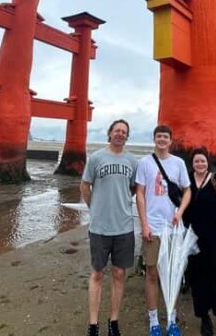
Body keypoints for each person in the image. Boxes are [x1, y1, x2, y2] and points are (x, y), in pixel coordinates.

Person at [81, 119, 139, 336]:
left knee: (119, 273)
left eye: (124, 131)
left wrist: (121, 201)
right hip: (99, 227)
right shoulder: (96, 158)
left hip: (124, 226)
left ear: (127, 136)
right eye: (117, 130)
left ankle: (113, 321)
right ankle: (93, 324)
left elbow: (133, 188)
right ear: (110, 133)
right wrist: (93, 206)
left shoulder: (132, 161)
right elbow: (85, 185)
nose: (120, 134)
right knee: (97, 273)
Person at [135, 125, 191, 336]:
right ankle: (153, 321)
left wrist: (180, 212)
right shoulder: (144, 162)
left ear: (170, 140)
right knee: (151, 272)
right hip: (153, 227)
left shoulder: (179, 163)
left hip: (174, 228)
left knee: (173, 274)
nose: (162, 140)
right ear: (154, 139)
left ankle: (172, 319)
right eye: (158, 136)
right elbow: (139, 194)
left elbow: (187, 190)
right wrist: (144, 224)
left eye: (165, 137)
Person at [183, 148, 216, 336]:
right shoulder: (187, 181)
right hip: (195, 240)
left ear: (208, 162)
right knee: (199, 280)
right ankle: (204, 319)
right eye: (196, 161)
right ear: (192, 163)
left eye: (203, 161)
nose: (200, 164)